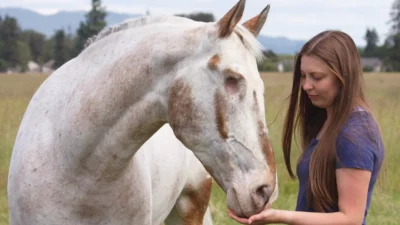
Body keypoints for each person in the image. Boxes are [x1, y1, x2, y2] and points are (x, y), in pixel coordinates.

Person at [228, 30, 385, 225]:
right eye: (303, 76)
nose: (306, 86)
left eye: (317, 77)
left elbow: (351, 218)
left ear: (344, 76)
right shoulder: (329, 120)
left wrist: (280, 216)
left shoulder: (355, 135)